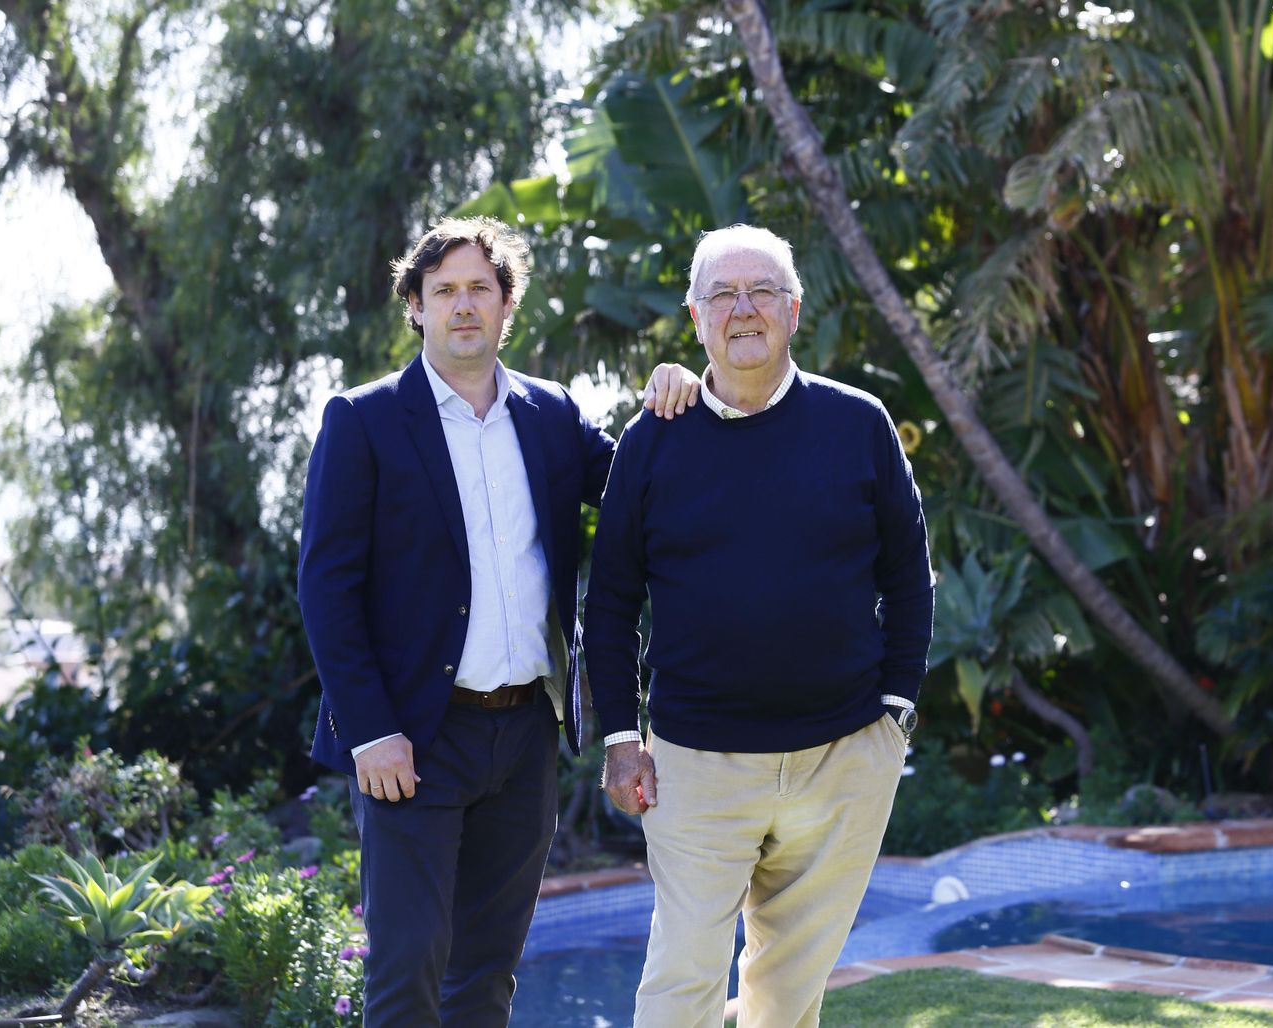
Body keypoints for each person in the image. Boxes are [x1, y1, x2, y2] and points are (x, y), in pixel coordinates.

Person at [297, 216, 697, 1027]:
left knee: (488, 972)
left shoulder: (551, 414)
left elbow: (637, 492)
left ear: (507, 304)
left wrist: (676, 397)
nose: (463, 305)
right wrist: (370, 728)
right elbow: (325, 588)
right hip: (414, 738)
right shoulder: (363, 419)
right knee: (408, 966)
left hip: (524, 740)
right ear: (416, 306)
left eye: (481, 287)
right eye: (443, 290)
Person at [584, 224, 934, 1027]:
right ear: (697, 317)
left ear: (794, 309)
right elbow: (608, 603)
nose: (744, 309)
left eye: (762, 291)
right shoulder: (652, 440)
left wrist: (896, 713)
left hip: (843, 757)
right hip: (697, 766)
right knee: (681, 986)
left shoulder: (861, 424)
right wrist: (618, 738)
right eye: (722, 295)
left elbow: (909, 579)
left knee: (787, 997)